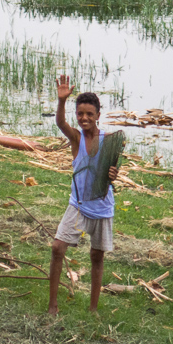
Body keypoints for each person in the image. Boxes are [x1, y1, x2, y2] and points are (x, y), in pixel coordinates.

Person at [47, 74, 119, 315]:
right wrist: (61, 102)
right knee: (58, 248)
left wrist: (113, 174)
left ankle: (93, 308)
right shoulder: (76, 138)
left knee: (97, 256)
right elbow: (60, 124)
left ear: (98, 115)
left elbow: (111, 174)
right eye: (80, 114)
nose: (84, 118)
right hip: (78, 206)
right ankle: (52, 305)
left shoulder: (109, 140)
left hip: (102, 208)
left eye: (89, 114)